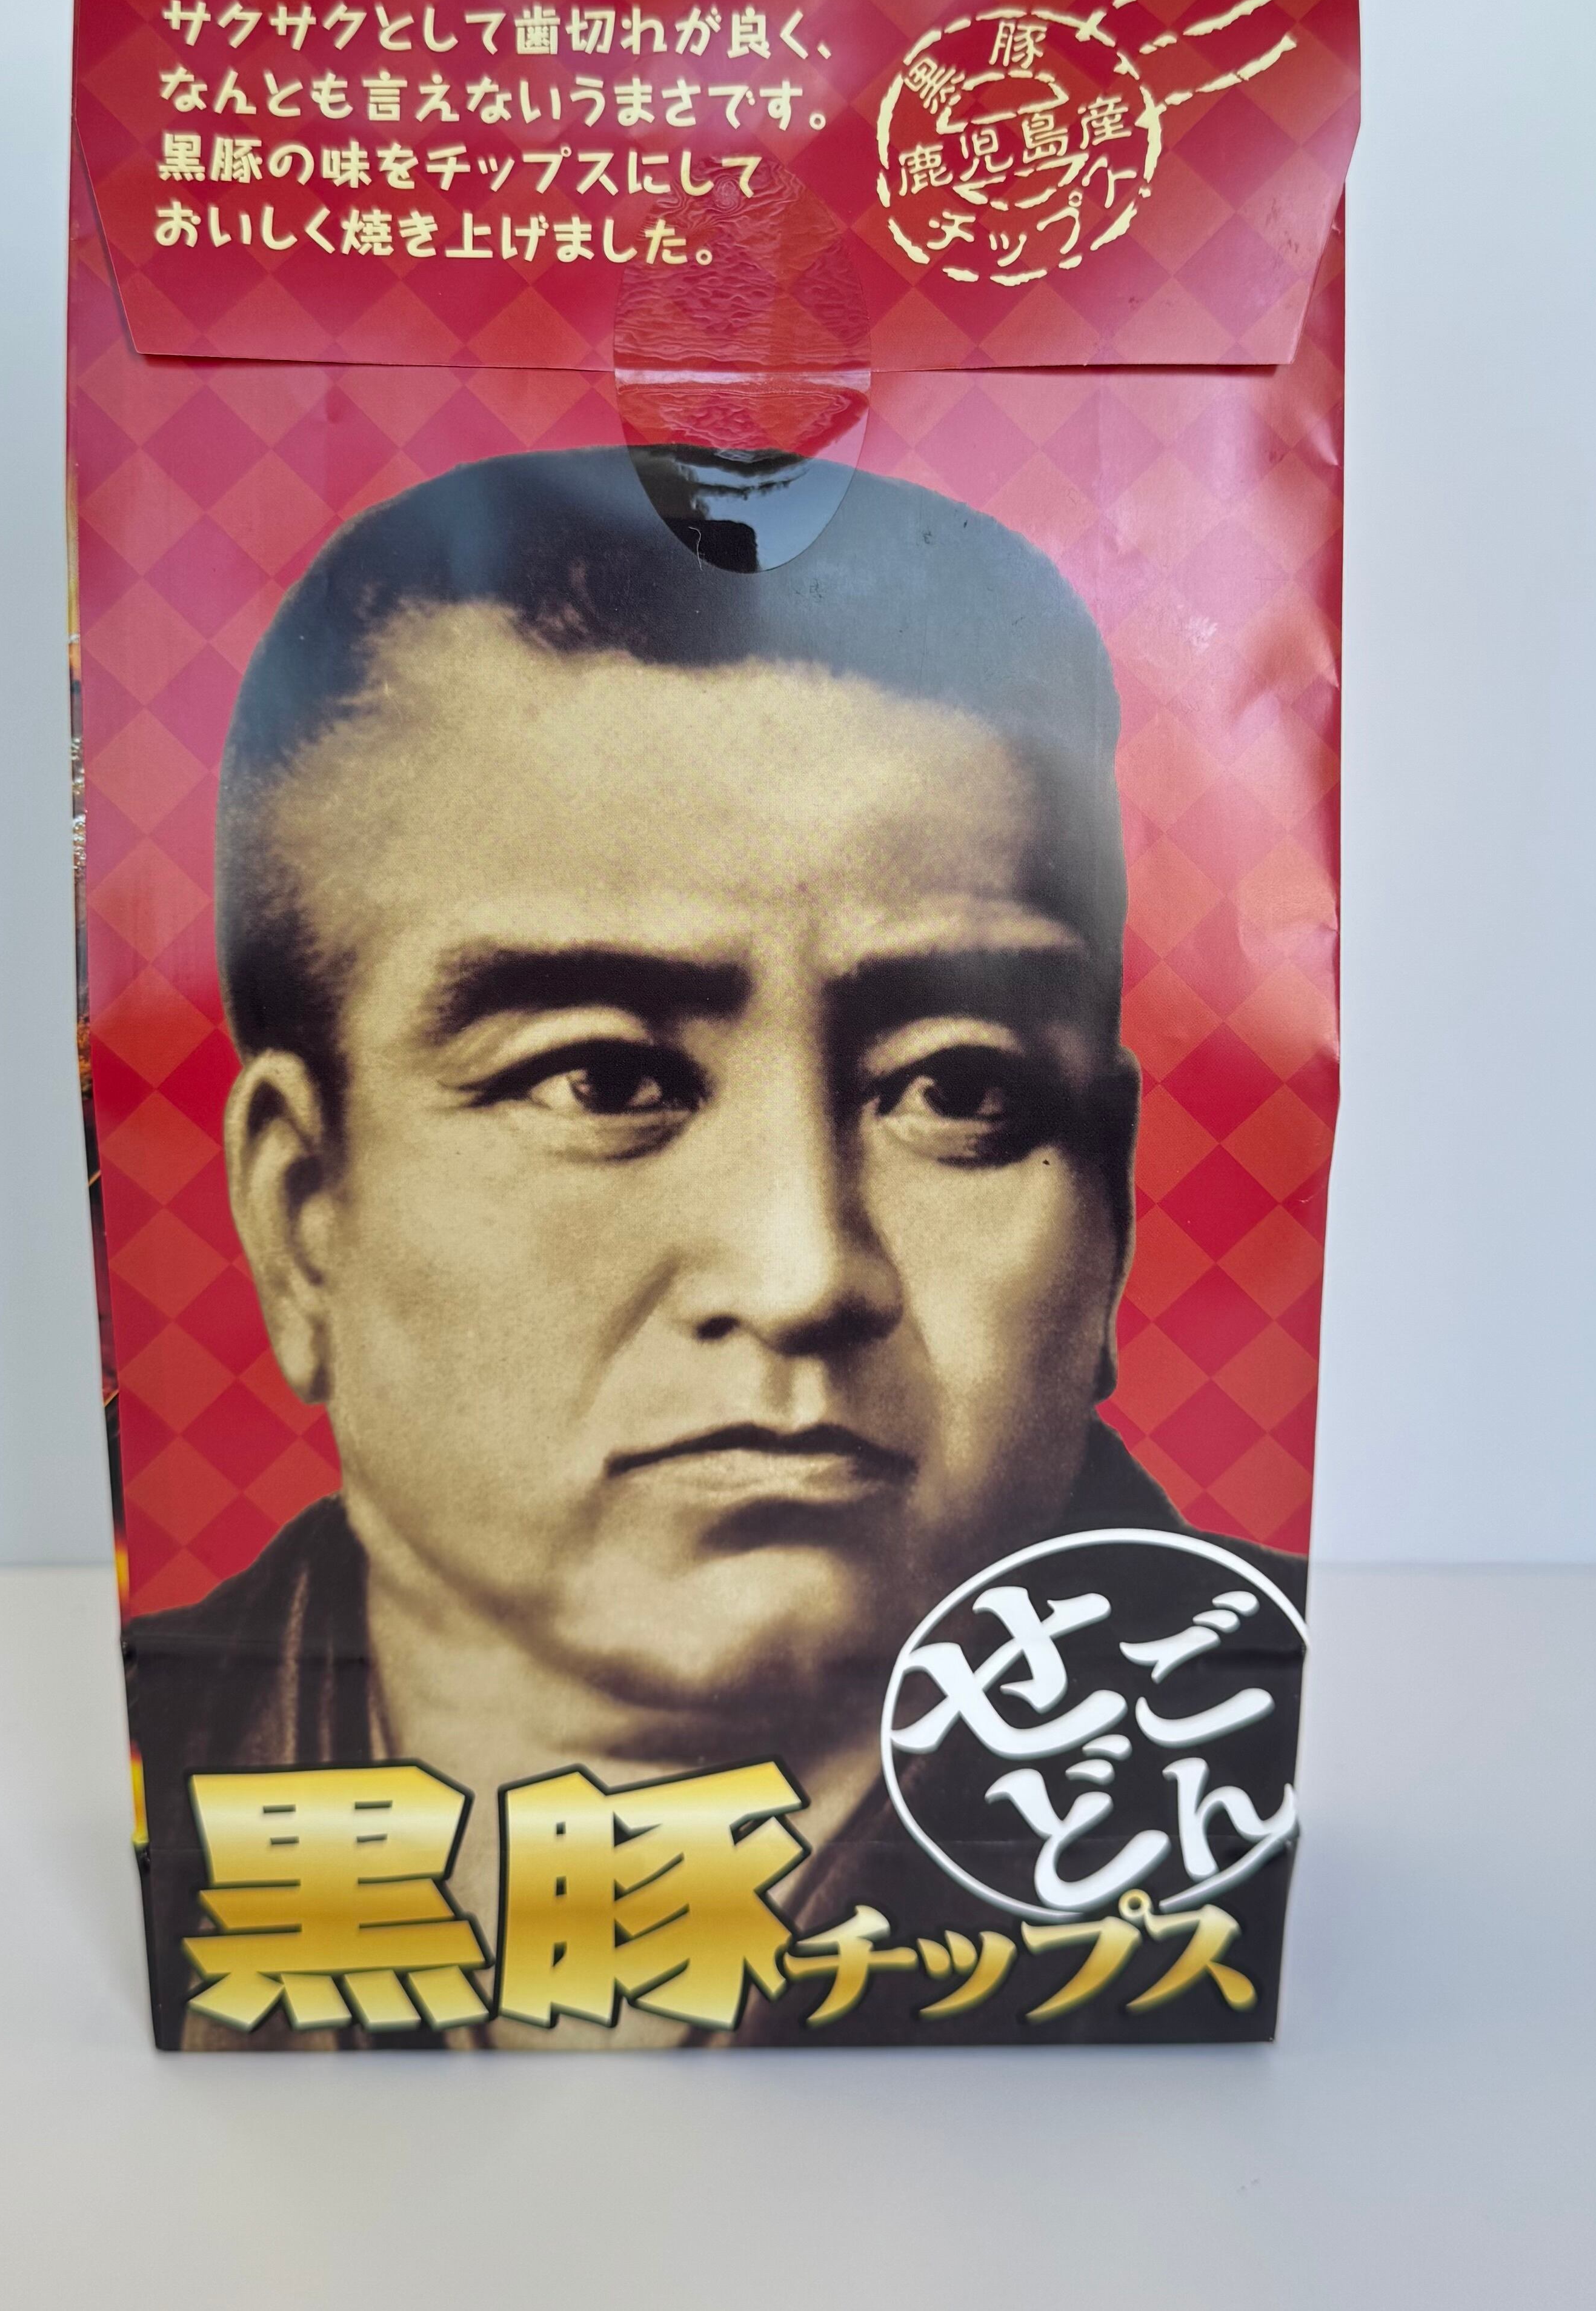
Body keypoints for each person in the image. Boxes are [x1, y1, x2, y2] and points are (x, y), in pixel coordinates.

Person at [125, 443, 1301, 2049]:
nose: (798, 1272)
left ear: (1109, 1204)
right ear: (301, 1213)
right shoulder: (147, 1780)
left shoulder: (1274, 1772)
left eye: (957, 1091)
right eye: (601, 1080)